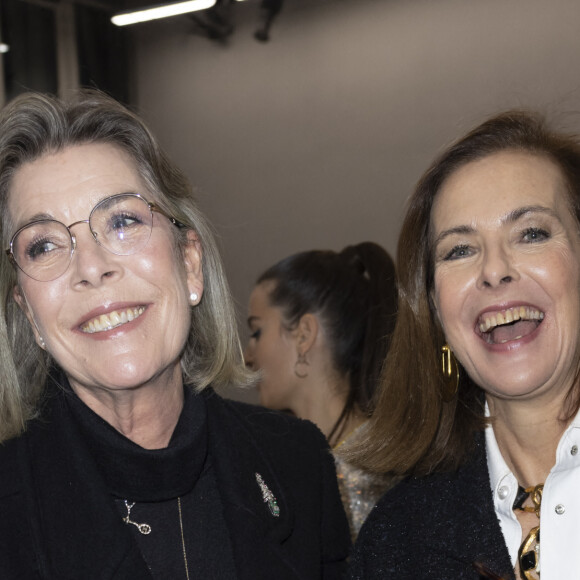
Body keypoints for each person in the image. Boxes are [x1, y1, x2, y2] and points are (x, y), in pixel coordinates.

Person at [0, 90, 350, 579]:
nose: (92, 267)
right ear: (29, 315)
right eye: (43, 246)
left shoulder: (296, 463)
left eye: (122, 220)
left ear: (190, 264)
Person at [346, 109, 580, 580]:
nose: (494, 269)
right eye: (460, 250)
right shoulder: (396, 539)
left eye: (531, 233)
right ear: (433, 307)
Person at [244, 243, 399, 540]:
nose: (247, 356)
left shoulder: (368, 474)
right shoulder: (316, 465)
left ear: (304, 335)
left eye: (256, 332)